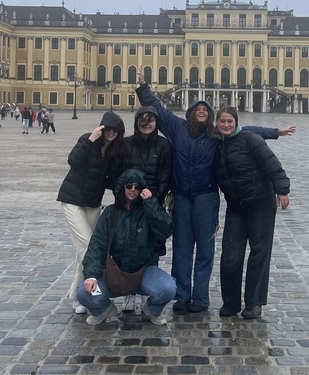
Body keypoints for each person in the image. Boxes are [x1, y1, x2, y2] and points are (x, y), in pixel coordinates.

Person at [136, 69, 294, 314]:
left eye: (206, 109)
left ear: (210, 116)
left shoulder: (215, 134)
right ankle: (182, 296)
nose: (202, 111)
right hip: (180, 197)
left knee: (206, 250)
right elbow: (157, 108)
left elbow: (246, 130)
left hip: (206, 198)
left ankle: (200, 299)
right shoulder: (177, 128)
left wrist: (275, 132)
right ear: (189, 113)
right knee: (182, 247)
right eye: (198, 108)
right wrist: (144, 86)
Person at [214, 107, 290, 320]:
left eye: (230, 121)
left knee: (258, 254)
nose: (226, 125)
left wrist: (282, 190)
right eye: (222, 121)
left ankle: (254, 303)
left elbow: (272, 164)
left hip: (261, 204)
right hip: (236, 206)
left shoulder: (250, 139)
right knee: (230, 256)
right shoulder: (216, 142)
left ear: (236, 122)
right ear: (217, 123)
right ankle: (230, 303)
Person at [76, 169, 176, 325]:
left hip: (143, 272)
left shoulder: (148, 211)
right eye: (129, 186)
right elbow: (97, 246)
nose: (133, 190)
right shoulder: (110, 213)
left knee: (168, 288)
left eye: (137, 187)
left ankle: (151, 310)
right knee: (83, 291)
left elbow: (165, 230)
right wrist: (91, 275)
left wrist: (151, 204)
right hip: (113, 274)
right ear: (122, 187)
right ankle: (104, 310)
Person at [57, 110, 126, 313]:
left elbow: (112, 181)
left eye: (116, 130)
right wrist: (90, 141)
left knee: (84, 251)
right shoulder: (87, 139)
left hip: (92, 203)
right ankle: (89, 295)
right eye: (108, 129)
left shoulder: (114, 152)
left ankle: (76, 295)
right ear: (102, 128)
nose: (112, 132)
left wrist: (127, 196)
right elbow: (73, 161)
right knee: (87, 247)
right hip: (72, 200)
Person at [122, 107, 174, 311]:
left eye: (150, 120)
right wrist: (128, 196)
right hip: (129, 204)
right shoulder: (126, 144)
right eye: (142, 120)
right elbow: (120, 171)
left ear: (156, 123)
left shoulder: (164, 145)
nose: (146, 124)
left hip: (153, 204)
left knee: (151, 249)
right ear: (136, 123)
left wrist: (156, 198)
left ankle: (148, 289)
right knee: (128, 247)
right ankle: (129, 292)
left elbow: (166, 175)